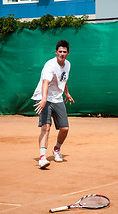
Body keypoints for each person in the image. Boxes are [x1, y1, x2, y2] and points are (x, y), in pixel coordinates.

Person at [31, 40, 74, 169]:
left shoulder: (68, 64)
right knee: (46, 127)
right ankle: (42, 158)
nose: (62, 54)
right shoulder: (49, 65)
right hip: (44, 97)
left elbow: (63, 78)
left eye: (64, 52)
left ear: (67, 53)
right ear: (56, 52)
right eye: (59, 51)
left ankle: (56, 149)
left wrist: (66, 93)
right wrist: (43, 100)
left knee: (65, 128)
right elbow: (45, 82)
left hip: (58, 98)